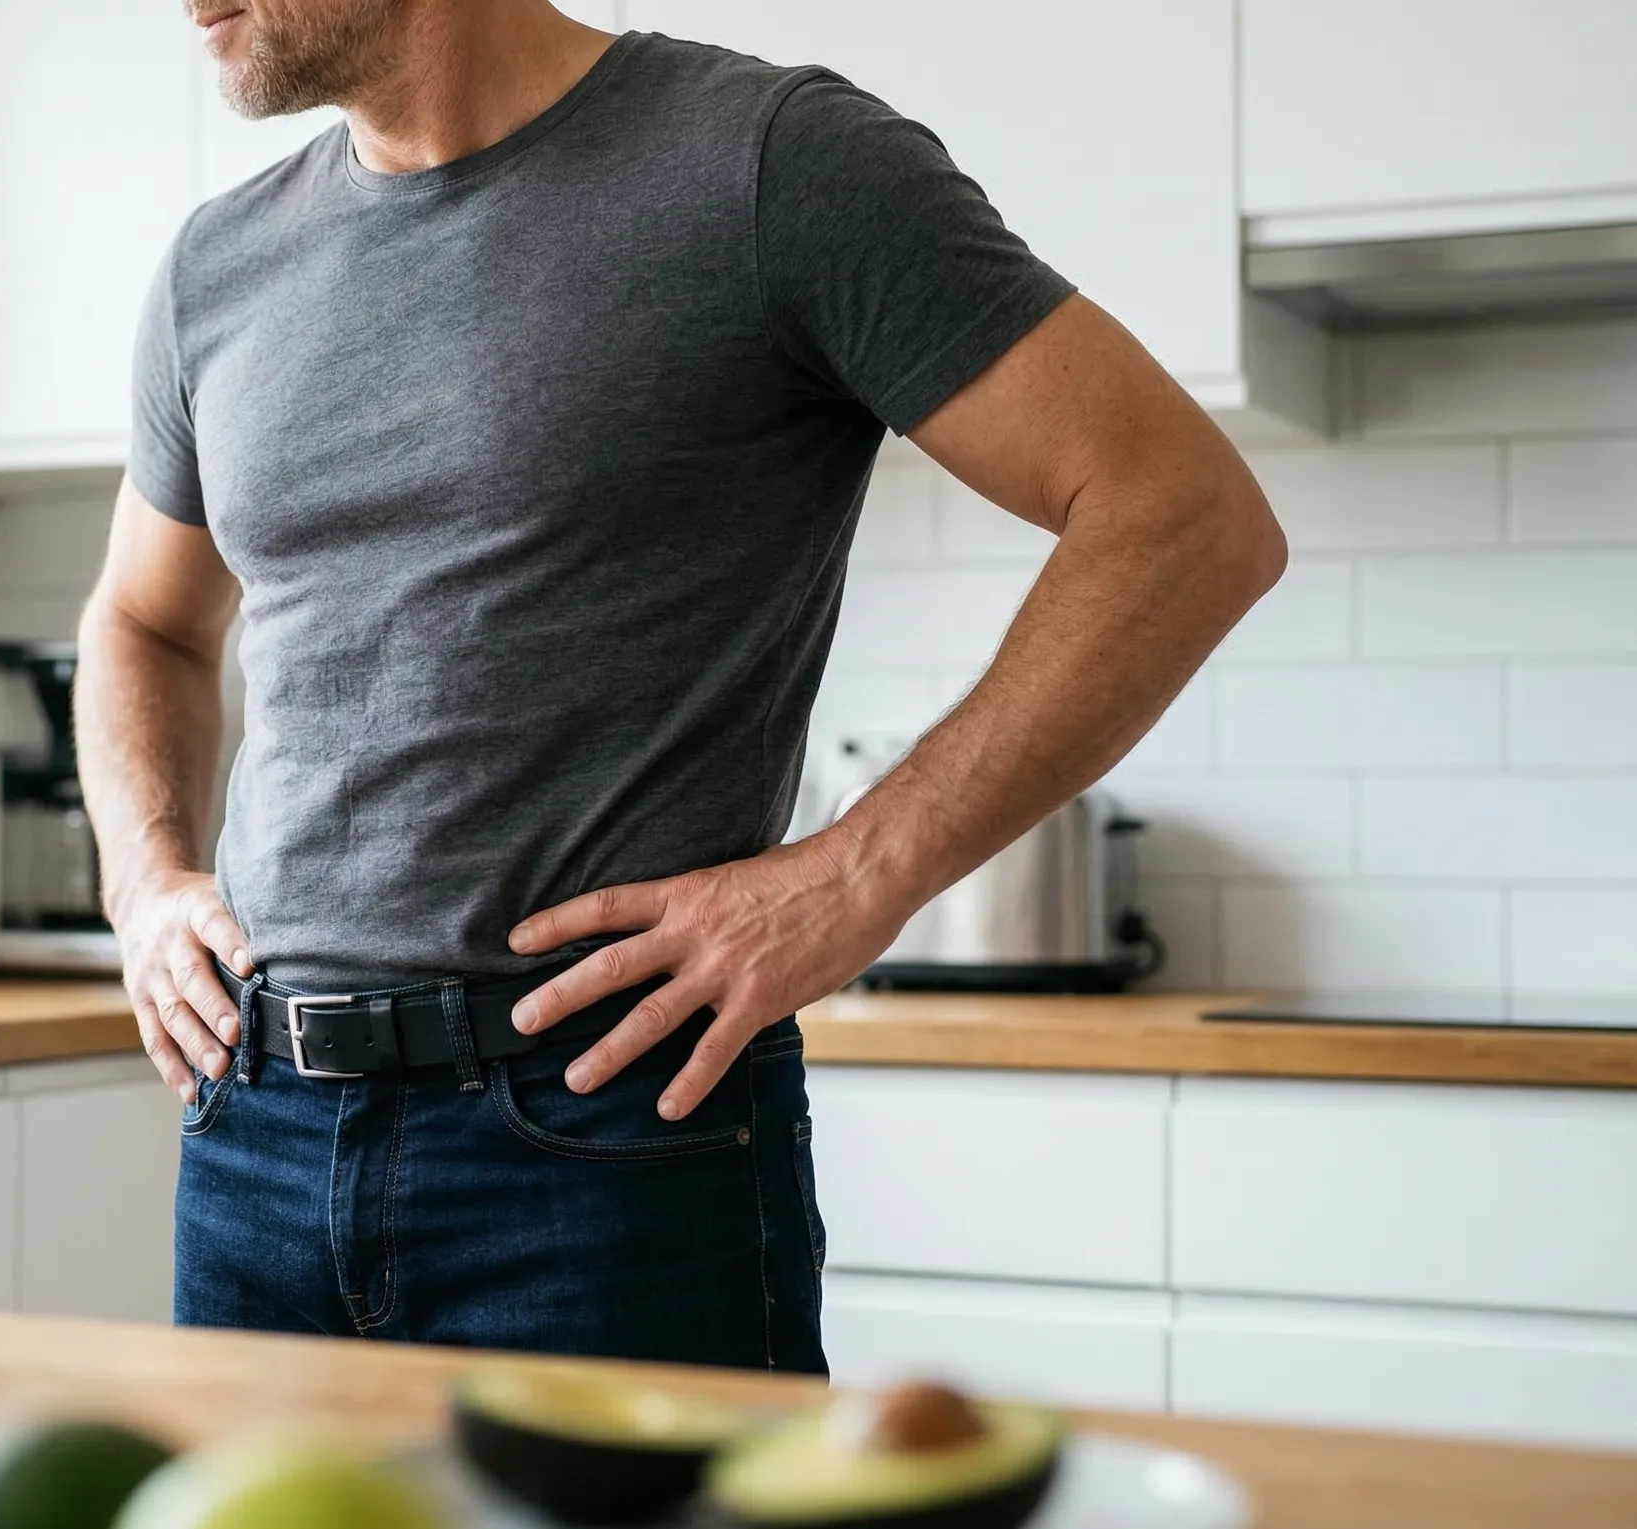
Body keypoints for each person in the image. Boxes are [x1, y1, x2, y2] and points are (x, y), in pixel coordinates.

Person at [75, 0, 1286, 1370]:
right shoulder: (215, 266)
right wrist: (143, 881)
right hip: (253, 1131)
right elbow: (142, 621)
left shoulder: (769, 166)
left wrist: (854, 877)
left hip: (600, 1137)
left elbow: (1182, 516)